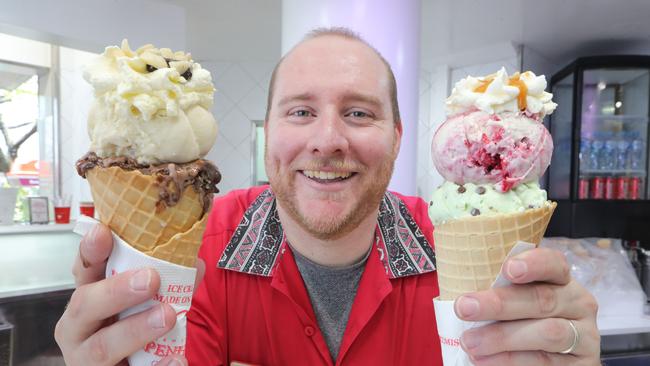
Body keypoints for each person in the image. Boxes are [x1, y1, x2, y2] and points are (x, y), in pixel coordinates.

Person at [55, 27, 601, 365]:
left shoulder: (462, 254)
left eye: (359, 113)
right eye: (300, 111)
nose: (327, 140)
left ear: (396, 137)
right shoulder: (193, 247)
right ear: (268, 133)